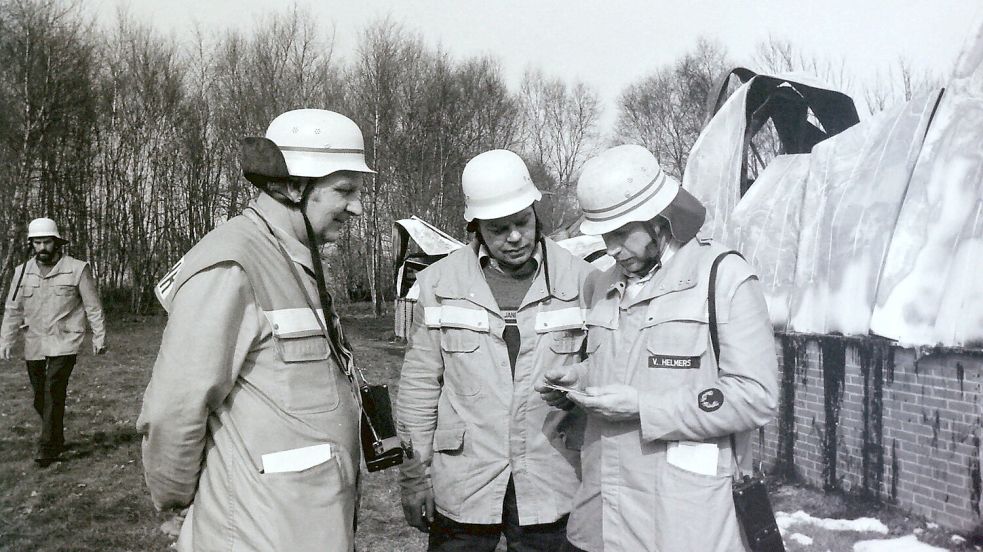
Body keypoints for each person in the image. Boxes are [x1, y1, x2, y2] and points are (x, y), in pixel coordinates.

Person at [136, 109, 374, 552]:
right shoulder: (233, 263)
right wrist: (177, 501)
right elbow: (175, 405)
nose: (357, 207)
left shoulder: (293, 256)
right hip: (255, 533)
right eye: (344, 190)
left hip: (305, 524)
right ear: (293, 186)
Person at [537, 144, 780, 552]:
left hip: (681, 519)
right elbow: (618, 364)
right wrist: (578, 380)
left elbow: (755, 397)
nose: (611, 248)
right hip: (600, 514)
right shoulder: (602, 284)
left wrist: (643, 408)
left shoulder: (723, 279)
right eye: (605, 235)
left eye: (620, 233)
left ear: (657, 218)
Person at [396, 149, 595, 552]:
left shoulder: (583, 282)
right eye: (499, 228)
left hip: (553, 479)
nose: (515, 237)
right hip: (464, 483)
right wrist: (416, 476)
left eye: (522, 222)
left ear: (536, 212)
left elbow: (606, 370)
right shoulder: (439, 283)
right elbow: (420, 385)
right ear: (476, 227)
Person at [0, 217, 107, 466]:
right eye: (37, 243)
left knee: (53, 389)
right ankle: (56, 438)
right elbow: (13, 309)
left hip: (65, 340)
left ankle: (46, 448)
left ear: (57, 243)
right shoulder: (21, 272)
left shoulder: (77, 269)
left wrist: (99, 336)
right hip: (35, 342)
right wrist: (5, 340)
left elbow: (93, 306)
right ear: (31, 244)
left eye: (47, 242)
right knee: (41, 397)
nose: (42, 248)